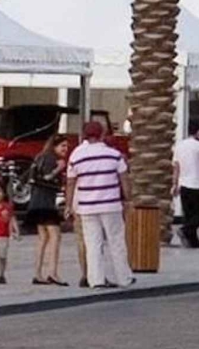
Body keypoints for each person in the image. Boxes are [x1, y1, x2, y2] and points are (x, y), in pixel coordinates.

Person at [65, 119, 134, 289]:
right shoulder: (114, 155)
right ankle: (124, 277)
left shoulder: (76, 156)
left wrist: (68, 205)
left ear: (85, 135)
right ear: (102, 134)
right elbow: (124, 179)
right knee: (116, 241)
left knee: (92, 243)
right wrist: (128, 199)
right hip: (111, 205)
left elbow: (71, 182)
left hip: (87, 206)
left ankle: (96, 280)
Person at [26, 135, 69, 285]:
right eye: (62, 146)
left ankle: (38, 273)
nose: (65, 149)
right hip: (45, 203)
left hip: (36, 201)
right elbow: (46, 178)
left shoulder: (40, 157)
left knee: (43, 238)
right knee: (55, 236)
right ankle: (53, 272)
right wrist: (59, 168)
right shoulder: (51, 159)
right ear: (55, 146)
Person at [172, 118, 199, 248]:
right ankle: (185, 230)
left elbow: (176, 167)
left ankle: (193, 242)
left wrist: (175, 184)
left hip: (184, 183)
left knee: (188, 214)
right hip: (197, 183)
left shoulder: (180, 146)